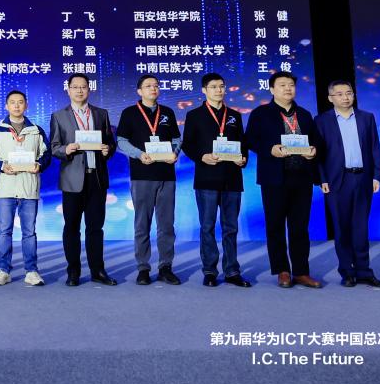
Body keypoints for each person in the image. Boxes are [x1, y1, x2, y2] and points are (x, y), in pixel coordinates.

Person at [246, 71, 321, 289]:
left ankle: (301, 272)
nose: (288, 88)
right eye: (282, 85)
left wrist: (314, 151)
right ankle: (282, 270)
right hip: (274, 178)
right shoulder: (260, 113)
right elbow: (250, 140)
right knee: (275, 226)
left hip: (302, 177)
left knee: (300, 227)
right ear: (272, 89)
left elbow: (316, 140)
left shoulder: (304, 114)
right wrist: (269, 149)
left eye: (291, 85)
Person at [315, 80, 380, 288]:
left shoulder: (367, 117)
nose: (345, 97)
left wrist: (377, 175)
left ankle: (364, 271)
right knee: (342, 228)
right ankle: (347, 272)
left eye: (349, 93)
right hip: (337, 181)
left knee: (360, 228)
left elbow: (375, 148)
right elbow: (319, 154)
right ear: (330, 98)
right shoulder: (321, 121)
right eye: (339, 94)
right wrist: (322, 179)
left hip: (363, 178)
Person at [181, 73, 252, 288]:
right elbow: (188, 144)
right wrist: (201, 156)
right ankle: (210, 271)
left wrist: (243, 159)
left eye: (221, 86)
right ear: (204, 90)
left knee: (231, 228)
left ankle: (232, 271)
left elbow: (242, 143)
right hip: (207, 178)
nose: (219, 90)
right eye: (213, 87)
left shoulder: (234, 115)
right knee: (207, 226)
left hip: (232, 178)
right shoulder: (194, 115)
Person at [49, 72, 117, 286]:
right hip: (72, 179)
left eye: (83, 87)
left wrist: (108, 150)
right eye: (75, 87)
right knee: (71, 227)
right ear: (68, 90)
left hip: (96, 178)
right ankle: (73, 271)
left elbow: (110, 142)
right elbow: (54, 147)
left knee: (95, 228)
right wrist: (66, 149)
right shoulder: (58, 116)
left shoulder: (101, 114)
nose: (79, 90)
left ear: (89, 89)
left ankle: (98, 270)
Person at [115, 74, 182, 286]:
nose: (153, 88)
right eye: (148, 86)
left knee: (166, 225)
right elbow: (121, 141)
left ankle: (165, 267)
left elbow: (176, 138)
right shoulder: (129, 113)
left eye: (156, 85)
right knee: (142, 224)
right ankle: (143, 268)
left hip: (166, 175)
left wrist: (175, 152)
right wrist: (138, 154)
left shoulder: (167, 112)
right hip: (142, 174)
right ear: (139, 91)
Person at [0, 90, 51, 286]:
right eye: (13, 102)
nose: (17, 105)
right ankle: (3, 270)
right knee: (4, 231)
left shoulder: (36, 130)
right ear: (6, 106)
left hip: (29, 186)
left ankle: (31, 271)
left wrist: (39, 165)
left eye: (20, 102)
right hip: (6, 187)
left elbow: (47, 154)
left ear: (26, 105)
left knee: (29, 232)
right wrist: (2, 166)